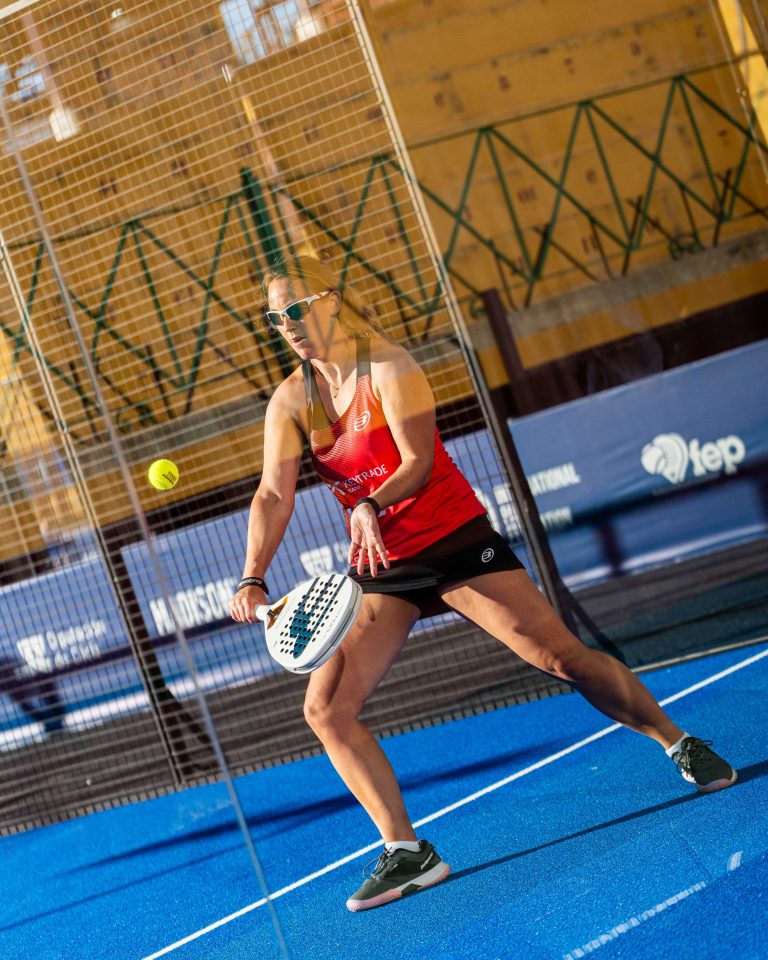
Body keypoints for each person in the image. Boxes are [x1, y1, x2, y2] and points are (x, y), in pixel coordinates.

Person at [230, 254, 736, 912]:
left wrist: (370, 502)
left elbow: (418, 462)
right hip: (382, 567)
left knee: (561, 658)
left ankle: (679, 742)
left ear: (329, 300)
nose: (288, 325)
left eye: (297, 309)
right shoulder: (292, 400)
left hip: (454, 544)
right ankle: (408, 852)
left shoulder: (389, 367)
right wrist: (252, 574)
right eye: (275, 317)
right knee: (325, 710)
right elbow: (273, 494)